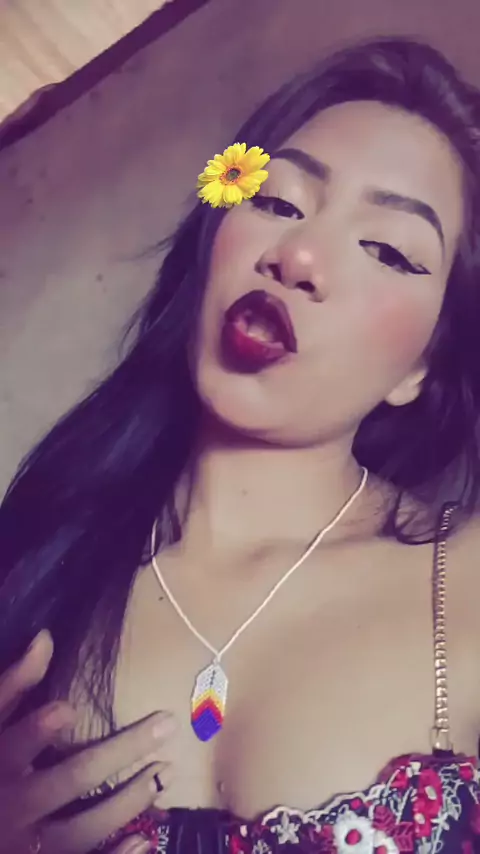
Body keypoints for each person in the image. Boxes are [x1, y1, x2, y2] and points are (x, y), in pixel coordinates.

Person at [1, 32, 480, 854]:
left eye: (387, 250)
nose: (298, 257)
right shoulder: (37, 562)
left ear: (422, 366)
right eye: (279, 202)